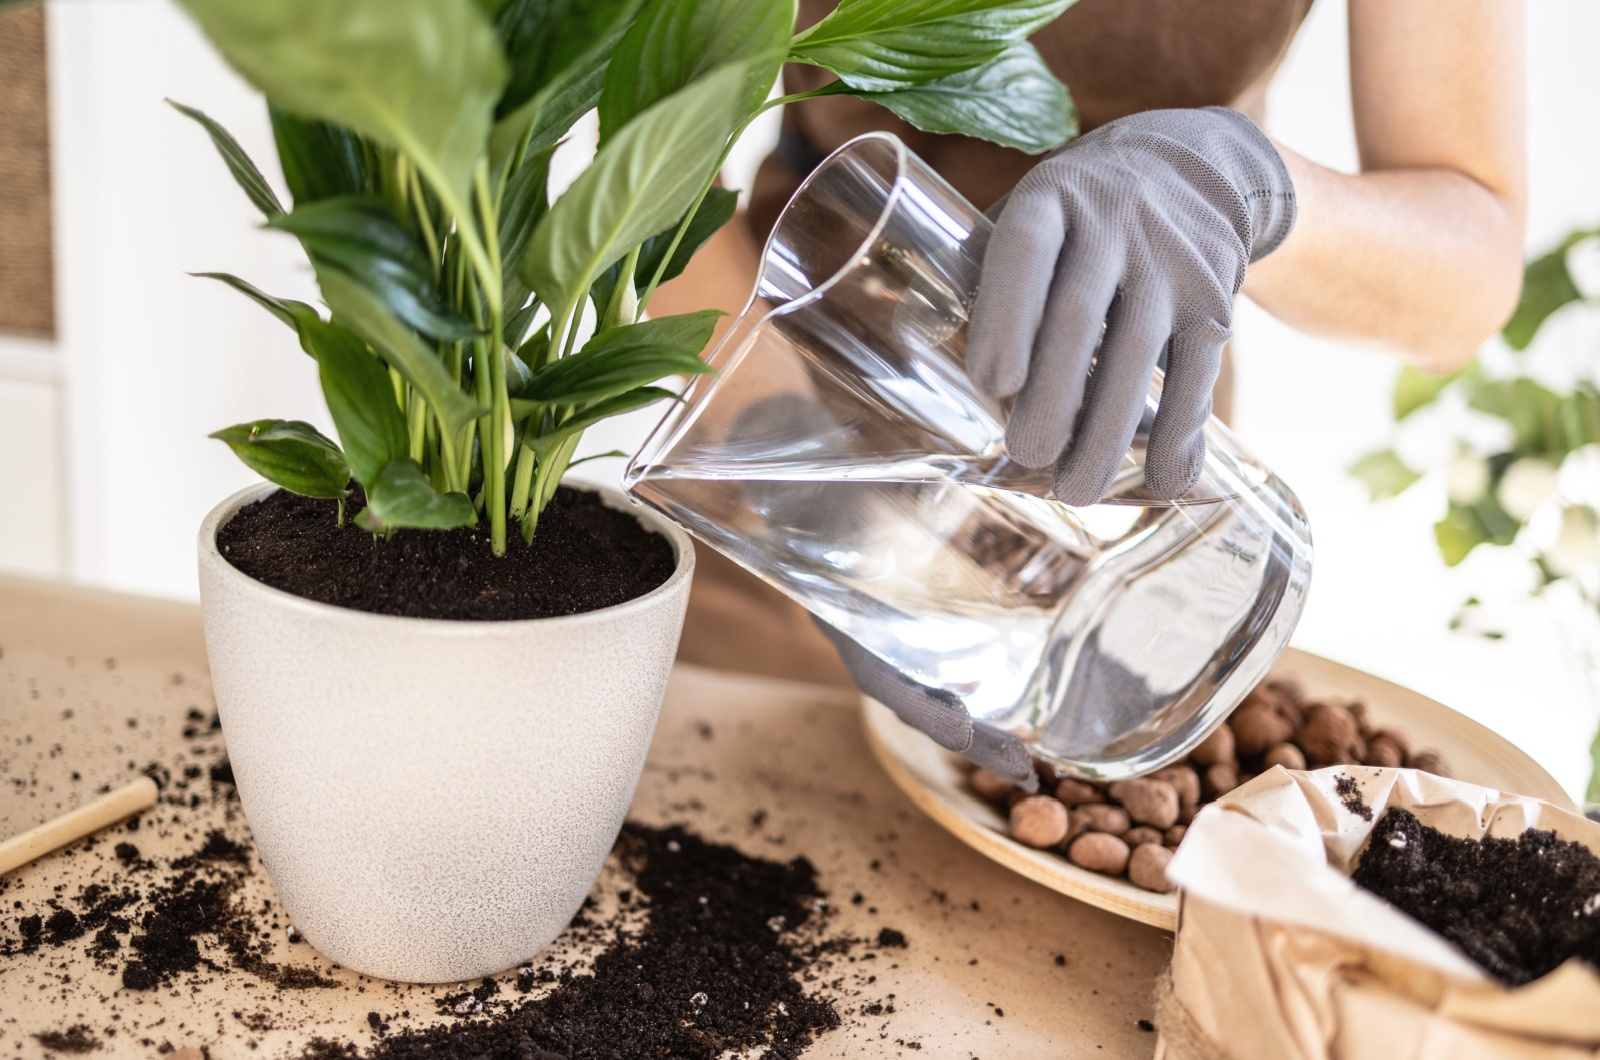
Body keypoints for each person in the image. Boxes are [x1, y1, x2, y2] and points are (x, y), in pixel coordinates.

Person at [648, 0, 1527, 775]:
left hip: (1124, 470)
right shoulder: (795, 451)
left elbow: (1468, 263)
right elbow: (642, 161)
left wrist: (1241, 184)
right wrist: (793, 466)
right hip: (799, 375)